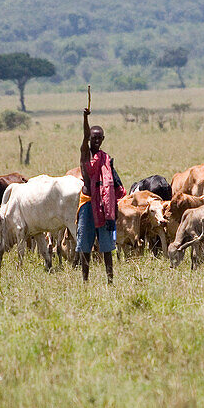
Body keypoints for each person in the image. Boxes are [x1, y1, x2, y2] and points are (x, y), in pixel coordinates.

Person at [78, 107, 124, 283]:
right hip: (88, 203)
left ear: (103, 139)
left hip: (104, 206)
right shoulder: (85, 154)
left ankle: (110, 280)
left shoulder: (106, 158)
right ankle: (85, 281)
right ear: (89, 138)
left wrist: (115, 208)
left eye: (99, 138)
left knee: (106, 246)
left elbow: (112, 186)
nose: (96, 140)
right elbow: (84, 137)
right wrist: (85, 118)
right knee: (84, 246)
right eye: (93, 137)